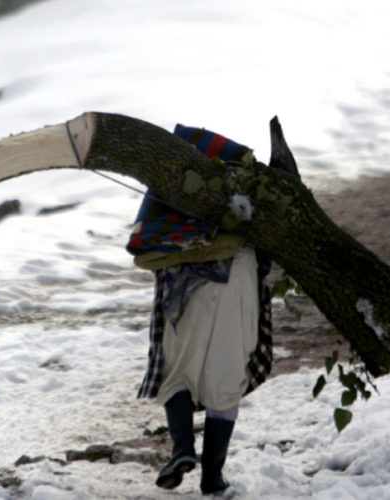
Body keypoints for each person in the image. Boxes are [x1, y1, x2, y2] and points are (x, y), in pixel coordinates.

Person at [127, 125, 273, 496]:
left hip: (183, 285)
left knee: (176, 373)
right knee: (225, 381)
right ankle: (213, 477)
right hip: (235, 279)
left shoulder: (164, 190)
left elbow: (144, 242)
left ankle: (181, 450)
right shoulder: (245, 185)